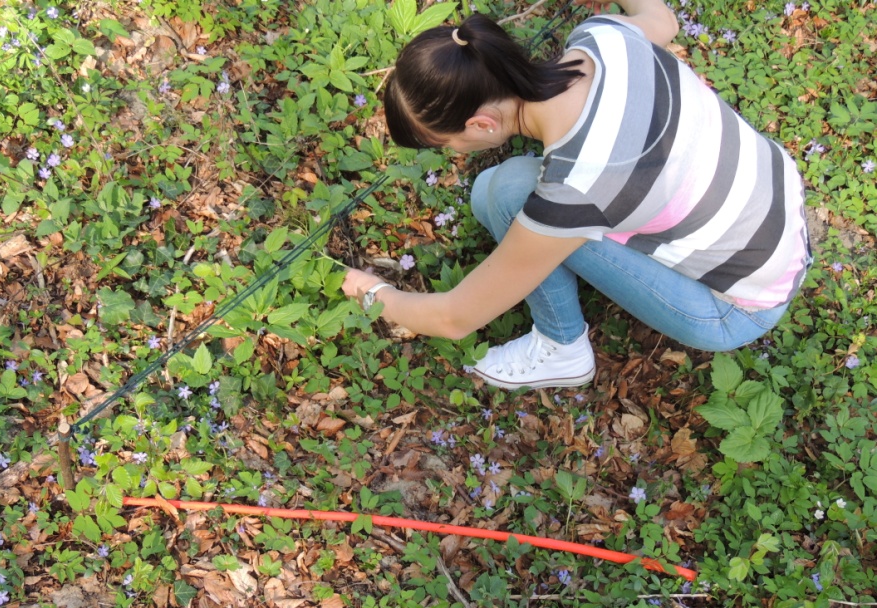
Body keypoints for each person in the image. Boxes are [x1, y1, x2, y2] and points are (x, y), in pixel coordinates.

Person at [341, 0, 811, 391]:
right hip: (780, 215)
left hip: (734, 307)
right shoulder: (602, 38)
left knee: (502, 194)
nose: (452, 154)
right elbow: (664, 21)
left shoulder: (577, 186)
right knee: (497, 190)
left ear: (481, 124)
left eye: (446, 144)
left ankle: (561, 348)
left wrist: (373, 291)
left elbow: (454, 318)